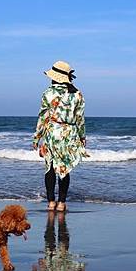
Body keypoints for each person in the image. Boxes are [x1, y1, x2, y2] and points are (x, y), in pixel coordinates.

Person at [32, 61, 88, 212]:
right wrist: (82, 137)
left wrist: (37, 137)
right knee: (64, 168)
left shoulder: (48, 93)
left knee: (49, 167)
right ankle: (62, 203)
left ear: (54, 77)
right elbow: (80, 119)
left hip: (52, 132)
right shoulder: (77, 94)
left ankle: (51, 202)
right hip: (69, 133)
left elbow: (43, 117)